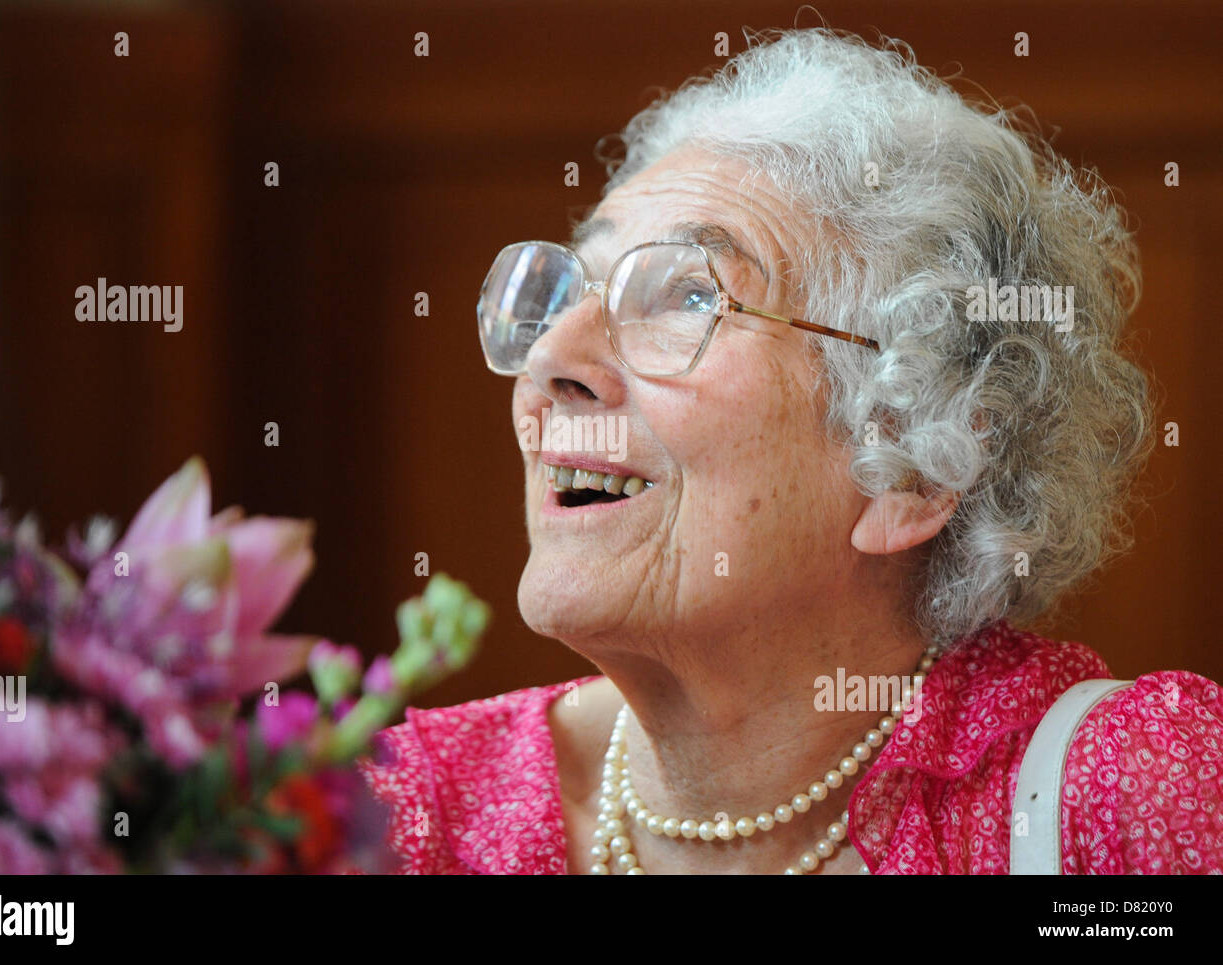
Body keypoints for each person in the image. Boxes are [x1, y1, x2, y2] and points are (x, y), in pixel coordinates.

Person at [359, 27, 1223, 874]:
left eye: (691, 295)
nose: (550, 360)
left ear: (916, 466)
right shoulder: (394, 816)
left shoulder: (1132, 803)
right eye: (569, 294)